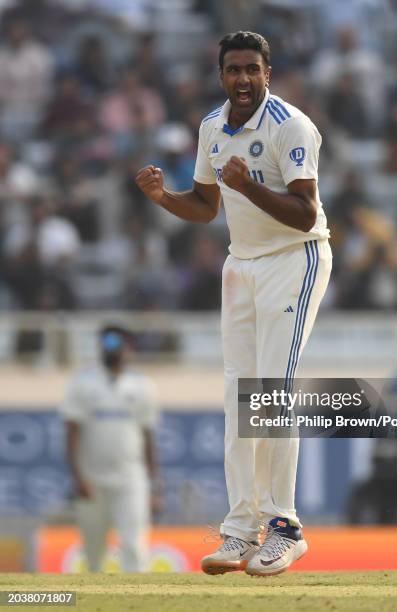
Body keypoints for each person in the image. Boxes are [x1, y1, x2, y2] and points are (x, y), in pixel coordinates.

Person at [135, 31, 332, 577]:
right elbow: (203, 206)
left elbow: (304, 213)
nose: (242, 80)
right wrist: (163, 199)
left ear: (268, 72)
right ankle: (242, 528)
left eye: (252, 70)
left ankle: (284, 528)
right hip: (240, 263)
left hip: (295, 257)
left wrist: (248, 188)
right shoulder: (211, 129)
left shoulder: (290, 126)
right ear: (220, 75)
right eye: (233, 70)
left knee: (272, 391)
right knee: (238, 396)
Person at [61, 325, 160, 572]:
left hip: (131, 479)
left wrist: (153, 484)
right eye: (107, 343)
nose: (112, 349)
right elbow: (71, 434)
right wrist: (78, 478)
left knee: (134, 546)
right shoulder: (82, 383)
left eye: (119, 344)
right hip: (92, 480)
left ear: (130, 350)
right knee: (93, 550)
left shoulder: (142, 386)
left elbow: (148, 437)